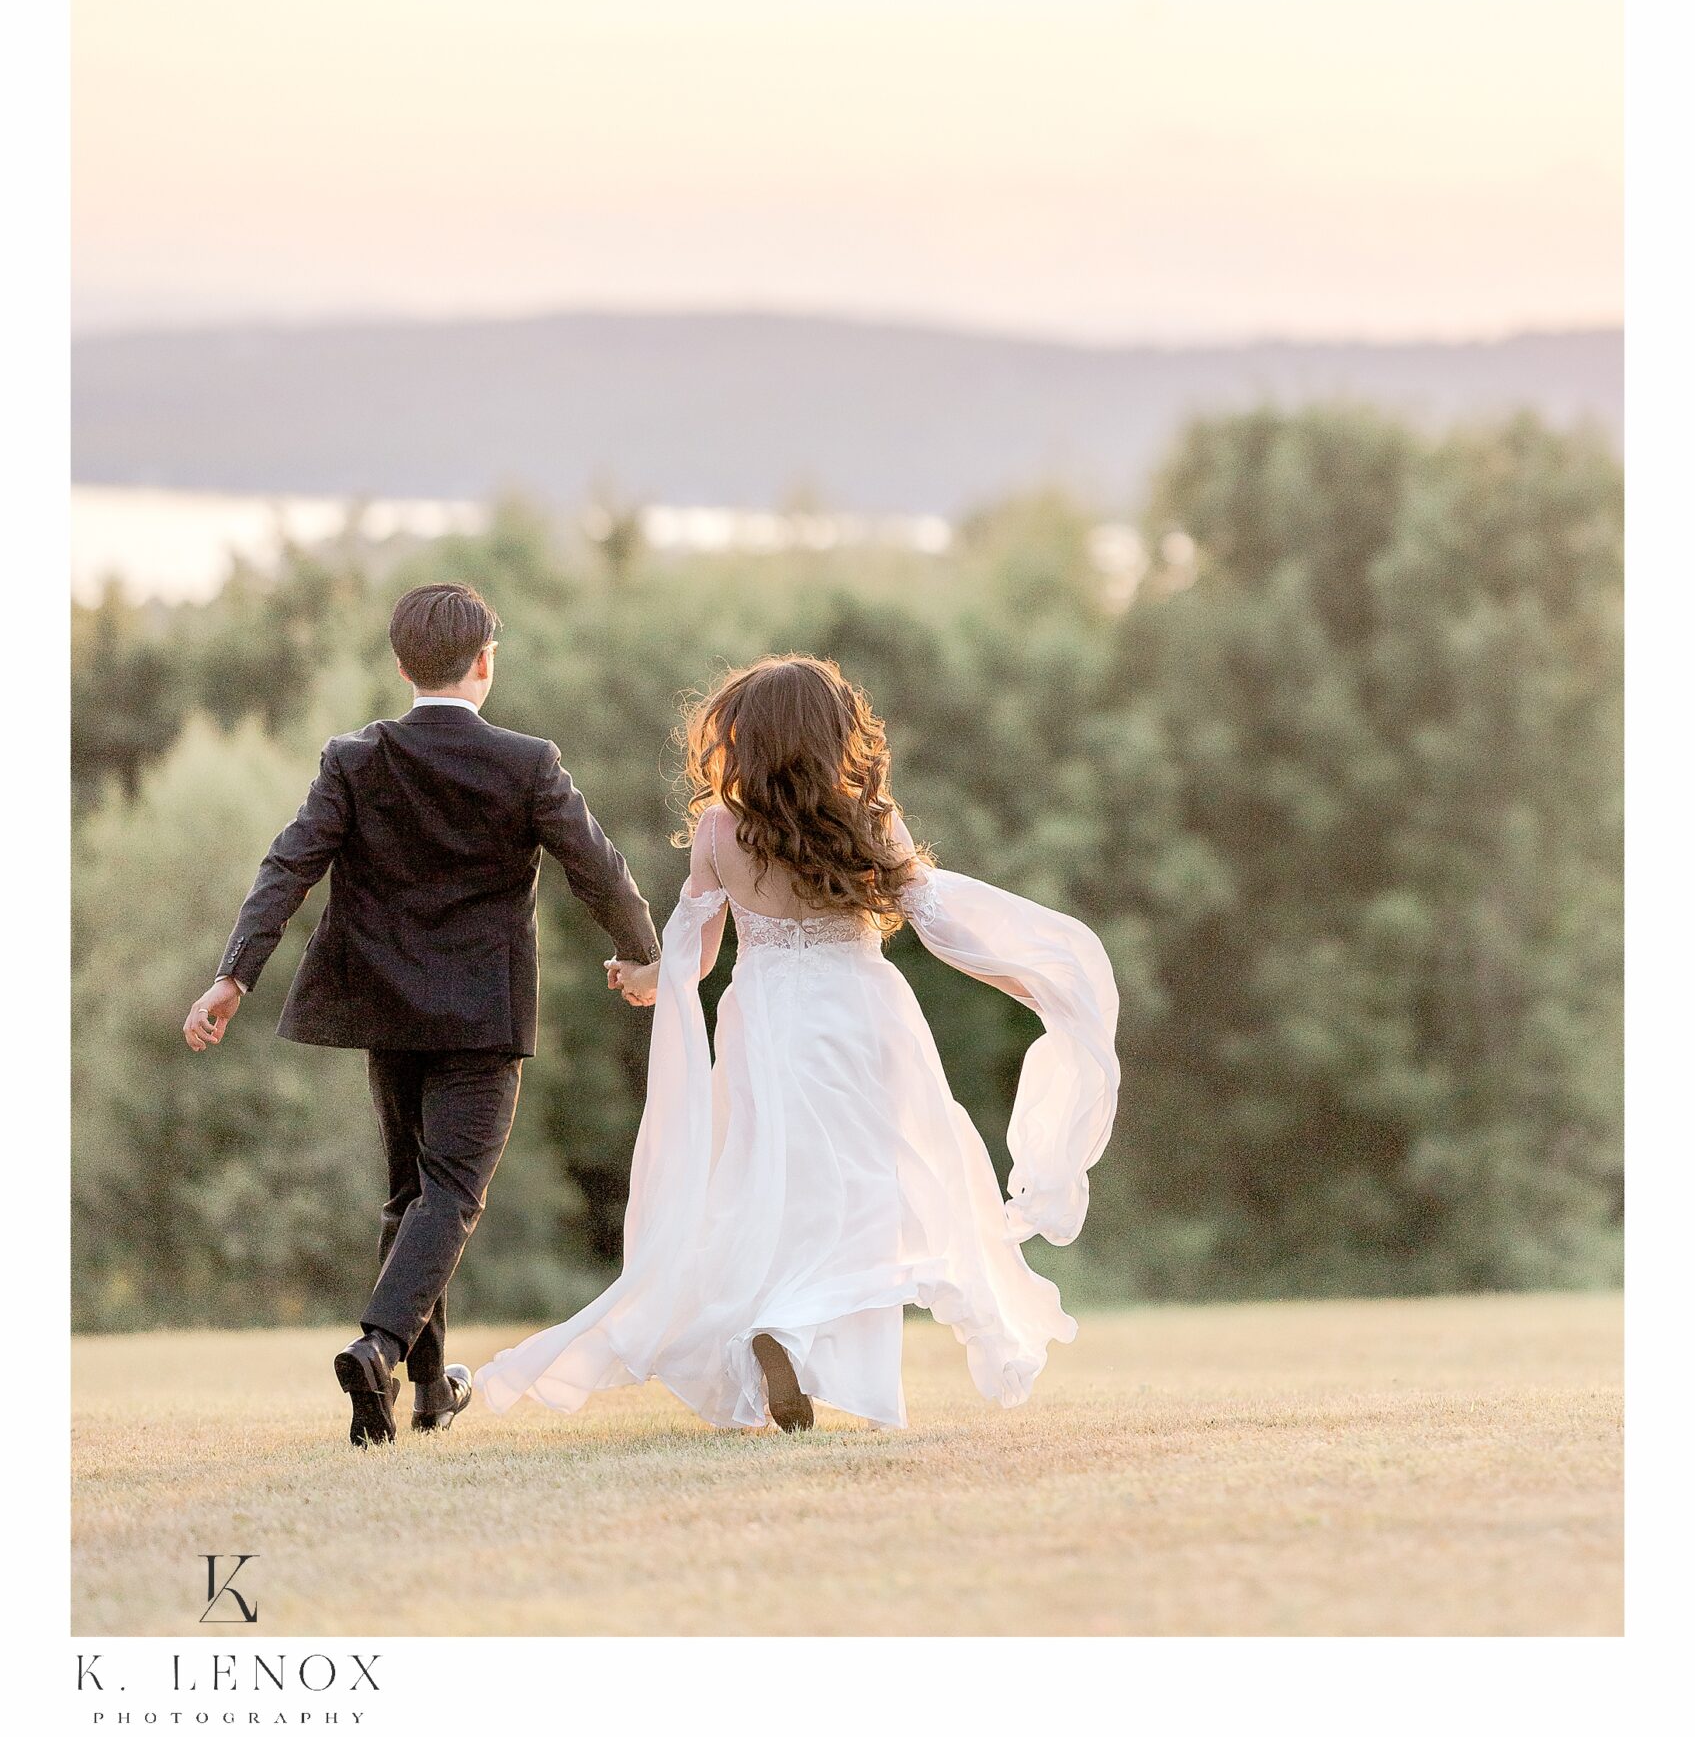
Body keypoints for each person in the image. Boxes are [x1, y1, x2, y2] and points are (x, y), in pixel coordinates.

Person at [475, 652, 1119, 1434]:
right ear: (833, 735)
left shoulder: (719, 832)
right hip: (862, 1015)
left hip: (767, 1022)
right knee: (875, 1183)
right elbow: (940, 923)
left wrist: (648, 977)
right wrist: (1035, 983)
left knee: (767, 1184)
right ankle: (791, 1322)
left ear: (744, 740)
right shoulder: (871, 822)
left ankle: (779, 1322)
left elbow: (695, 956)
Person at [181, 581, 660, 1446]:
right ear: (484, 664)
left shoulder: (355, 759)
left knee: (412, 1197)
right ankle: (381, 1348)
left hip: (387, 1010)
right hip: (483, 1014)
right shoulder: (528, 763)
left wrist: (233, 976)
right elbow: (599, 867)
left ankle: (431, 1388)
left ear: (402, 666)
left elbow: (286, 866)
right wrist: (643, 956)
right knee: (450, 1194)